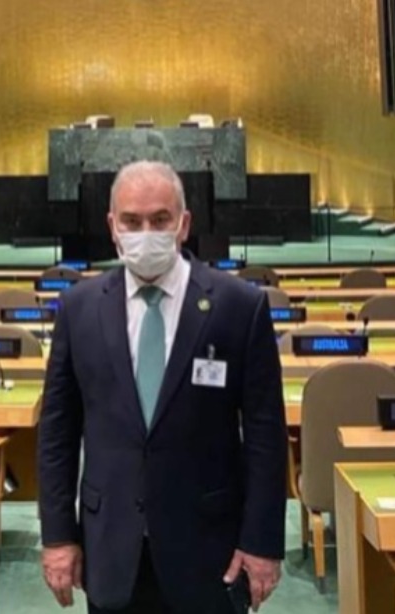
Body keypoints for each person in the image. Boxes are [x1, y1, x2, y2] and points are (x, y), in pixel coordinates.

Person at [38, 160, 287, 613]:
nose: (146, 233)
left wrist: (262, 542)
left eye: (160, 220)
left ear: (184, 224)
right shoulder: (78, 309)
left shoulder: (239, 306)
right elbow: (57, 433)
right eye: (132, 222)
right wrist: (57, 536)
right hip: (110, 548)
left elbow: (266, 436)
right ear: (112, 227)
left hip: (210, 550)